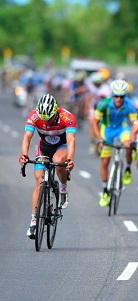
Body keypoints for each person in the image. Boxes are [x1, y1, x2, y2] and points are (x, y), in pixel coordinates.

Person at [19, 94, 76, 238]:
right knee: (38, 180)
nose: (47, 122)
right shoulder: (34, 116)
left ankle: (63, 189)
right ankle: (33, 222)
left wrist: (69, 159)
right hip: (44, 147)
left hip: (62, 146)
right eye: (43, 119)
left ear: (56, 112)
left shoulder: (67, 117)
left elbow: (70, 140)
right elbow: (27, 137)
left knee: (58, 161)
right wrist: (24, 155)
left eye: (49, 119)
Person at [92, 79, 138, 207]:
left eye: (121, 96)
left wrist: (133, 137)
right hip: (107, 129)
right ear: (112, 95)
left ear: (125, 96)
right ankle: (105, 190)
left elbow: (134, 123)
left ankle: (128, 168)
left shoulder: (129, 105)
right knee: (105, 161)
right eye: (116, 96)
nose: (118, 99)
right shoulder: (103, 104)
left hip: (122, 129)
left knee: (128, 144)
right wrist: (99, 139)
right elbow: (94, 122)